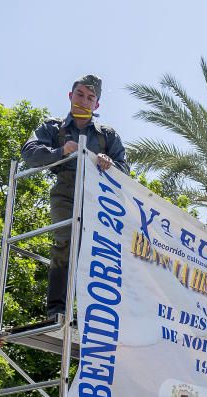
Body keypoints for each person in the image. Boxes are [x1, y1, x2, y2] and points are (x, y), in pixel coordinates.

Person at [20, 75, 128, 323]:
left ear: (97, 105)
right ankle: (57, 310)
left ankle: (88, 315)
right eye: (80, 94)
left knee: (94, 251)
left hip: (97, 195)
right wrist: (60, 151)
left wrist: (108, 164)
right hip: (66, 191)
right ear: (71, 96)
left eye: (91, 97)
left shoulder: (107, 135)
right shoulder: (53, 127)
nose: (84, 100)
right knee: (65, 242)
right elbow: (30, 153)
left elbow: (124, 169)